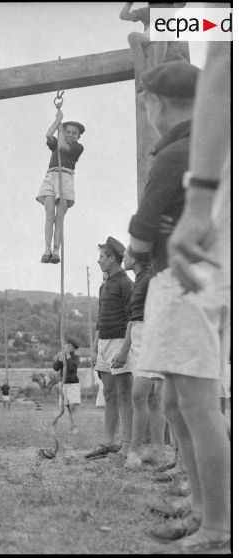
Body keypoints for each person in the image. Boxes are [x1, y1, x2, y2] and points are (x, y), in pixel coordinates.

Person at [145, 50, 230, 551]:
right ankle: (203, 510)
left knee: (197, 403)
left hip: (193, 273)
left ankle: (218, 523)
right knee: (179, 401)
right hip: (198, 270)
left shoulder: (184, 149)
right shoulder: (196, 144)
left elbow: (220, 50)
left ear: (157, 104)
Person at [110, 249, 166, 470]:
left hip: (151, 339)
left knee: (140, 395)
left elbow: (156, 314)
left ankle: (135, 452)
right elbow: (133, 321)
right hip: (141, 340)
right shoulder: (139, 280)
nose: (124, 257)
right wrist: (125, 349)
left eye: (127, 254)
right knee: (150, 398)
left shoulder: (150, 279)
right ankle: (158, 451)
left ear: (138, 258)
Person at [85, 237, 133, 460]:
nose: (98, 261)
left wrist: (124, 350)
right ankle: (108, 440)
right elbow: (99, 320)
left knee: (124, 394)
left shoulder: (126, 284)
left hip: (119, 342)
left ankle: (127, 444)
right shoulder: (104, 285)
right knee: (108, 393)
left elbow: (132, 318)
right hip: (103, 343)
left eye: (102, 257)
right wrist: (94, 347)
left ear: (113, 258)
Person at [36, 108, 84, 264]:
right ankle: (47, 249)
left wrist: (61, 131)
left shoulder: (77, 147)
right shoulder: (56, 143)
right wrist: (58, 121)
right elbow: (49, 135)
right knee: (49, 213)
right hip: (51, 175)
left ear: (78, 137)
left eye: (73, 133)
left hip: (66, 177)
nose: (70, 135)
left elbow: (63, 147)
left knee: (59, 217)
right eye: (68, 132)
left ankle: (56, 250)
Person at [120, 2, 188, 78]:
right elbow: (124, 16)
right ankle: (143, 74)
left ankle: (157, 71)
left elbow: (181, 4)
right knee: (132, 36)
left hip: (166, 31)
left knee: (161, 32)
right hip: (149, 34)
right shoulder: (144, 11)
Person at [53, 338, 81, 431]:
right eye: (67, 345)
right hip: (64, 384)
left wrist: (68, 356)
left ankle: (76, 427)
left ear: (74, 348)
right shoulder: (63, 356)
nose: (68, 347)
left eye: (70, 346)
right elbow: (56, 368)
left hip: (73, 384)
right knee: (68, 407)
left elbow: (72, 367)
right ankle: (73, 426)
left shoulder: (76, 357)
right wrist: (59, 359)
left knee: (73, 405)